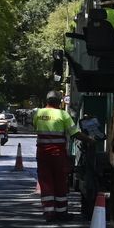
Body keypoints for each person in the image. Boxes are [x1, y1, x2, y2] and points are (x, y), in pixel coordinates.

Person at [31, 90, 78, 220]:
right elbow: (74, 133)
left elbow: (35, 127)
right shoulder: (63, 114)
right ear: (59, 102)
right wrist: (89, 140)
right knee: (60, 182)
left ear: (47, 101)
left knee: (46, 182)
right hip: (58, 155)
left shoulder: (38, 113)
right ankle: (61, 212)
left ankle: (49, 212)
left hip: (42, 155)